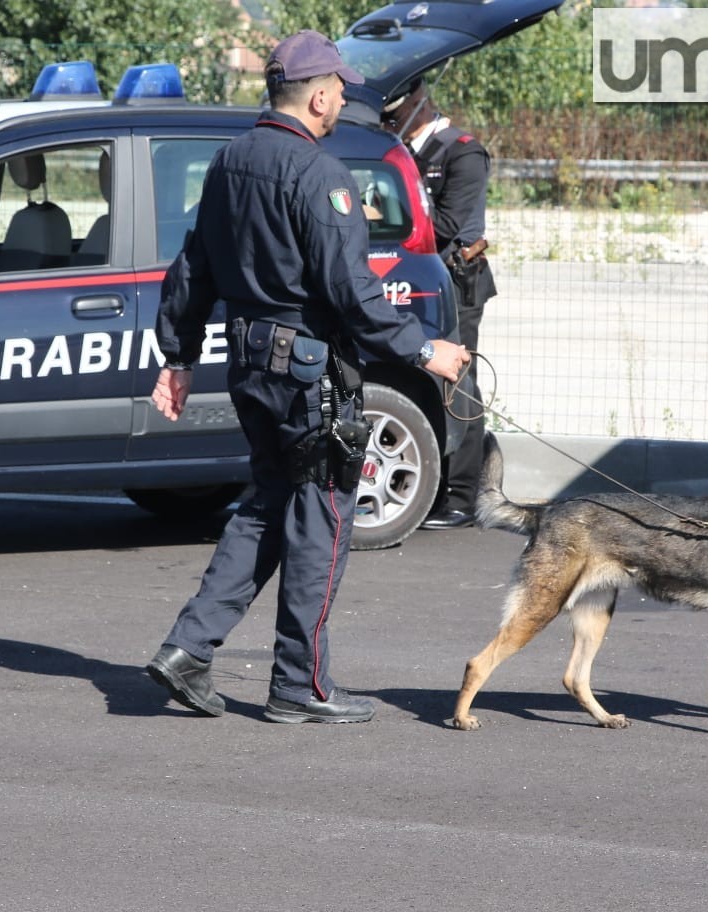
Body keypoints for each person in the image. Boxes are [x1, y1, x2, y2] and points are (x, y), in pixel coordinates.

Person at [145, 30, 468, 723]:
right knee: (321, 521)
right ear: (319, 96)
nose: (343, 100)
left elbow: (193, 269)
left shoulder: (228, 163)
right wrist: (424, 351)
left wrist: (177, 356)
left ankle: (187, 649)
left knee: (266, 507)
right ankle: (300, 685)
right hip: (308, 375)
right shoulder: (319, 174)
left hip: (250, 365)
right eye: (340, 91)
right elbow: (352, 292)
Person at [382, 78, 498, 530]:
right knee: (421, 374)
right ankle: (433, 486)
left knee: (458, 381)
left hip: (458, 282)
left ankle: (463, 494)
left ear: (418, 101)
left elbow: (448, 222)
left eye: (395, 114)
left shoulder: (461, 151)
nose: (391, 123)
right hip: (419, 280)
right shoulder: (400, 151)